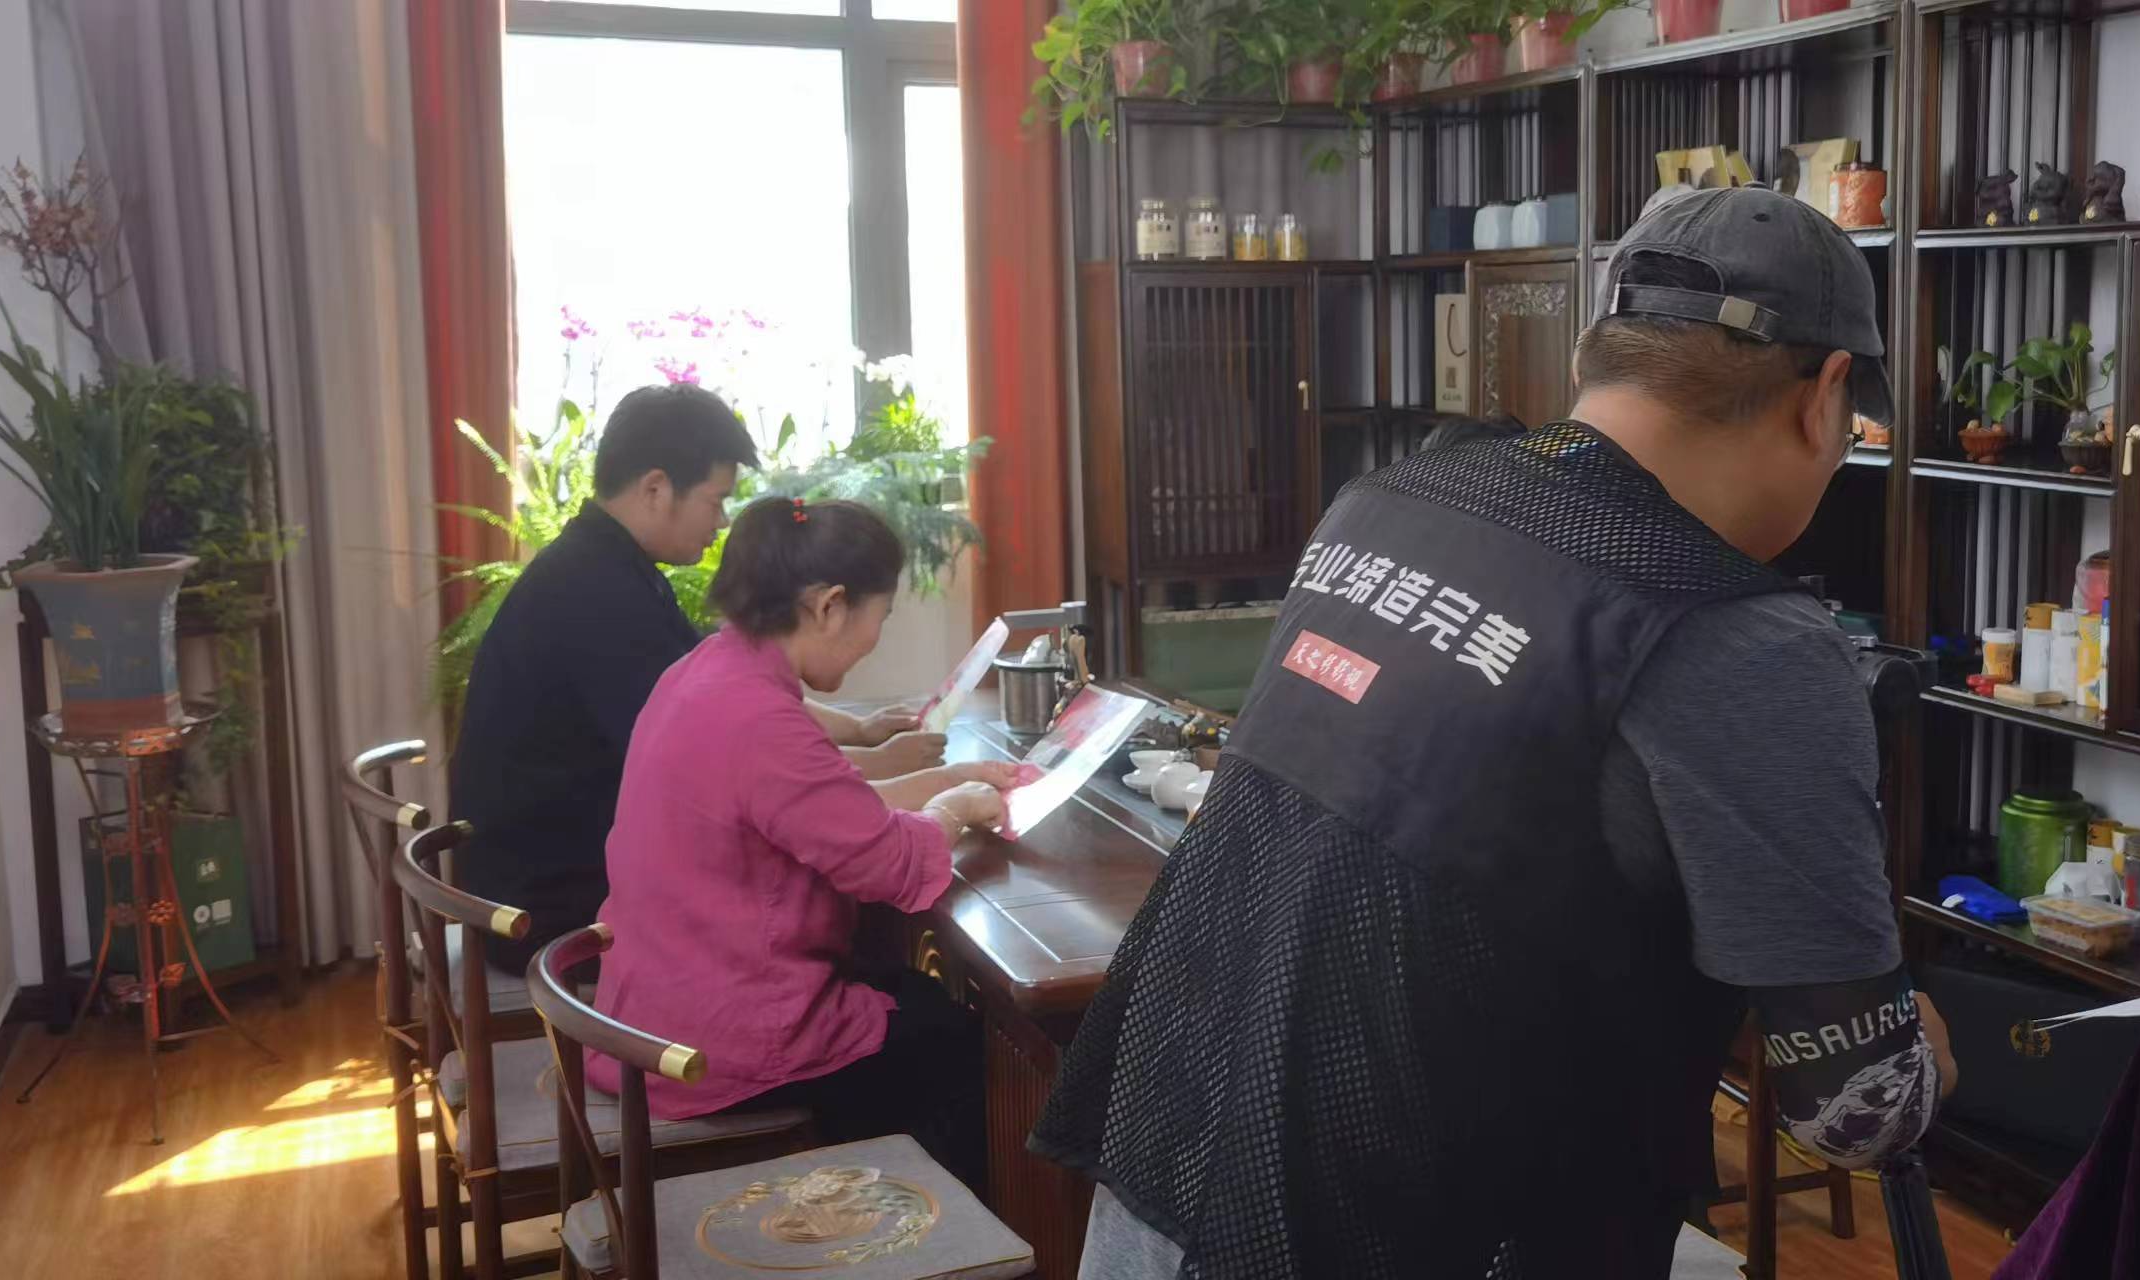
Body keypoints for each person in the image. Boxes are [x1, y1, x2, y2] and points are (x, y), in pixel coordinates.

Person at [1035, 185, 1956, 1277]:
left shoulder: (1385, 502)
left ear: (1600, 354)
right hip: (1408, 1235)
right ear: (1827, 394)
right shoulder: (1740, 637)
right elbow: (1858, 1111)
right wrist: (1922, 1051)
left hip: (1166, 1167)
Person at [585, 495, 1015, 1186]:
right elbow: (889, 862)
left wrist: (951, 777)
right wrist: (956, 807)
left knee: (915, 997)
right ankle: (916, 1227)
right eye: (882, 615)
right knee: (970, 1051)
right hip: (713, 1039)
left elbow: (828, 810)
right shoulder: (758, 717)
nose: (876, 637)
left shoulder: (708, 670)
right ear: (830, 605)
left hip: (656, 1002)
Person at [449, 384, 944, 972]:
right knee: (828, 897)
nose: (723, 520)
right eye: (716, 500)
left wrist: (860, 736)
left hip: (550, 872)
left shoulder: (609, 568)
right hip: (552, 906)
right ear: (657, 489)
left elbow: (743, 697)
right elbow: (738, 752)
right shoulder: (599, 598)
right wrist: (892, 770)